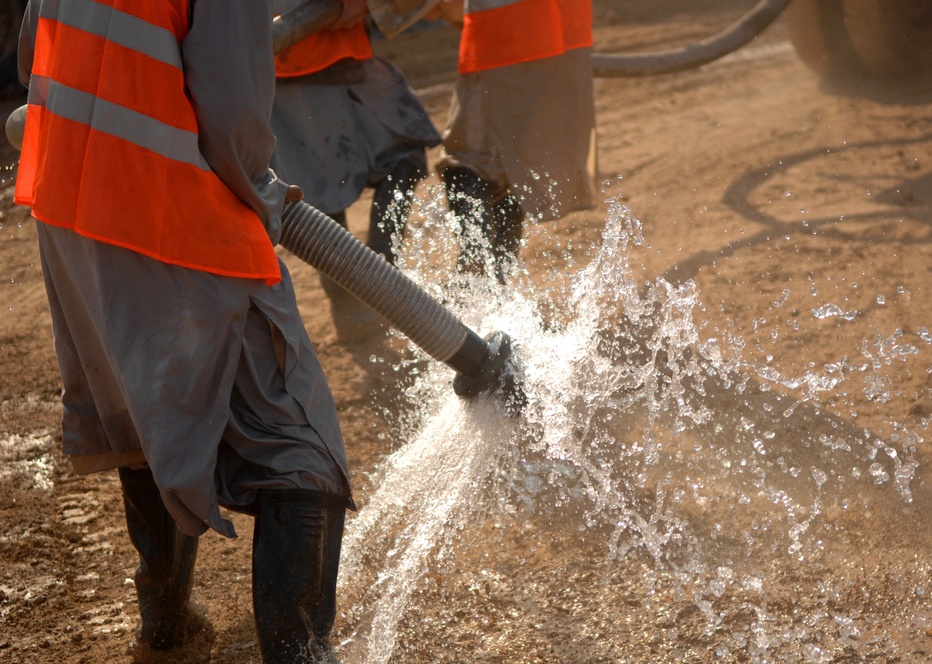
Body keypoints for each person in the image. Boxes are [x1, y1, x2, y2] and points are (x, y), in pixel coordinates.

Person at [15, 0, 352, 661]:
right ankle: (297, 650)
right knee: (298, 439)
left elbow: (36, 52)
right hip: (168, 212)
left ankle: (166, 629)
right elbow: (231, 116)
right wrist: (261, 194)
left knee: (147, 405)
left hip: (69, 203)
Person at [270, 0, 441, 336]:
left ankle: (377, 281)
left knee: (404, 155)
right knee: (319, 202)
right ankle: (356, 312)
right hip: (285, 71)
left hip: (347, 58)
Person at [435, 0, 599, 281]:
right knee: (517, 160)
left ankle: (476, 281)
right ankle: (495, 287)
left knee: (469, 160)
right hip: (565, 37)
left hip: (503, 35)